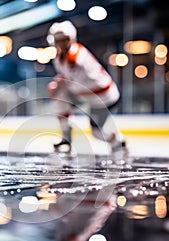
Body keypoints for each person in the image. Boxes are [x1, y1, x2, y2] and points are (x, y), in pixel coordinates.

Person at [47, 20, 126, 153]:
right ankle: (66, 137)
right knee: (58, 95)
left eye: (63, 39)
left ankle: (117, 141)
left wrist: (58, 84)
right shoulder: (62, 56)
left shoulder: (76, 58)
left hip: (102, 98)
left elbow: (72, 80)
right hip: (88, 94)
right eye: (58, 39)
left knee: (96, 133)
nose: (60, 43)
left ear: (70, 38)